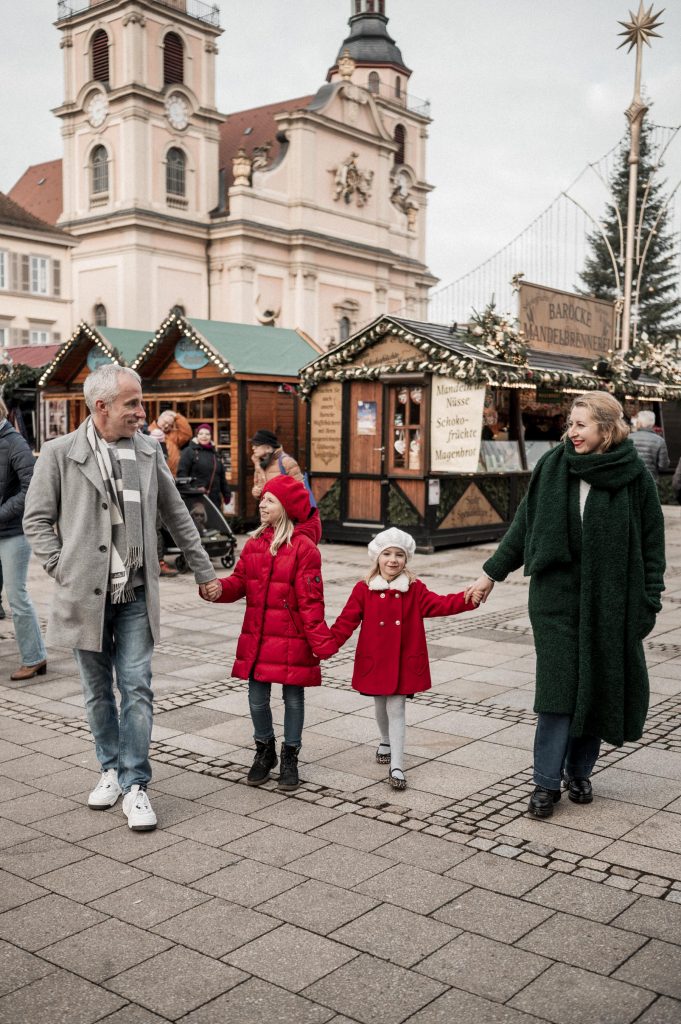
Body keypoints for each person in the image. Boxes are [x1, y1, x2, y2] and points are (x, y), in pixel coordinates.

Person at [24, 365, 221, 831]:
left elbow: (176, 515)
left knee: (136, 686)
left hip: (134, 591)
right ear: (102, 407)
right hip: (84, 595)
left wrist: (203, 570)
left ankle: (136, 784)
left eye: (139, 401)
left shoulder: (150, 450)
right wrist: (62, 567)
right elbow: (36, 520)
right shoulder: (58, 453)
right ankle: (108, 769)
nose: (141, 411)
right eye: (132, 403)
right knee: (96, 691)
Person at [465, 392, 666, 819]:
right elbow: (524, 527)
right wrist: (490, 574)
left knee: (596, 686)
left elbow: (652, 546)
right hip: (555, 599)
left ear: (607, 429)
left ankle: (579, 771)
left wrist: (648, 602)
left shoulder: (635, 478)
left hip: (610, 602)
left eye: (580, 425)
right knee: (557, 693)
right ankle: (544, 783)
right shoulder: (552, 467)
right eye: (569, 424)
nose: (570, 433)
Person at [201, 474, 337, 792]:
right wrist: (218, 589)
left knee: (293, 699)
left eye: (270, 500)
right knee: (257, 699)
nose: (262, 503)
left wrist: (321, 641)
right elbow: (240, 582)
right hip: (259, 637)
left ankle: (291, 756)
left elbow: (311, 603)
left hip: (293, 638)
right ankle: (265, 751)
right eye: (262, 499)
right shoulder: (254, 544)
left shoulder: (305, 549)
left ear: (286, 508)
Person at [331, 528, 478, 790]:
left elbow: (441, 604)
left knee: (396, 707)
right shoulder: (363, 589)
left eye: (399, 555)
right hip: (375, 659)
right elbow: (346, 621)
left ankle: (397, 765)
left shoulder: (414, 589)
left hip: (401, 660)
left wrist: (469, 599)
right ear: (377, 557)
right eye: (386, 553)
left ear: (406, 559)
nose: (393, 560)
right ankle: (385, 739)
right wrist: (326, 645)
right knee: (379, 704)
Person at [0, 396, 47, 679]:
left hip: (13, 533)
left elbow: (31, 488)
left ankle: (34, 657)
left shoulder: (15, 442)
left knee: (17, 596)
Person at [177, 424, 232, 511]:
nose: (204, 436)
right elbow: (182, 475)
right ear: (197, 435)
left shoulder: (215, 454)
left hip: (214, 499)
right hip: (195, 499)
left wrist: (227, 494)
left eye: (207, 434)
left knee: (213, 524)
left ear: (211, 436)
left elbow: (221, 477)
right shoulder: (189, 451)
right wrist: (191, 491)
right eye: (201, 433)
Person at [251, 429, 304, 499]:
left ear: (268, 447)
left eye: (257, 445)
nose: (253, 448)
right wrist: (256, 492)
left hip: (284, 509)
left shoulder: (287, 462)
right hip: (266, 508)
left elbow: (301, 490)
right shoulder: (258, 463)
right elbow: (258, 487)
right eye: (253, 445)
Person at [148, 408, 192, 477]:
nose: (166, 426)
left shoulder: (173, 436)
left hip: (172, 475)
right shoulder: (148, 432)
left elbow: (187, 434)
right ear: (160, 418)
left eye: (170, 425)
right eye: (165, 422)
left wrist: (177, 416)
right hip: (155, 475)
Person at [630, 409, 670, 481]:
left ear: (639, 423)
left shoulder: (628, 438)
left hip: (631, 480)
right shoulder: (659, 441)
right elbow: (663, 466)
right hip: (650, 480)